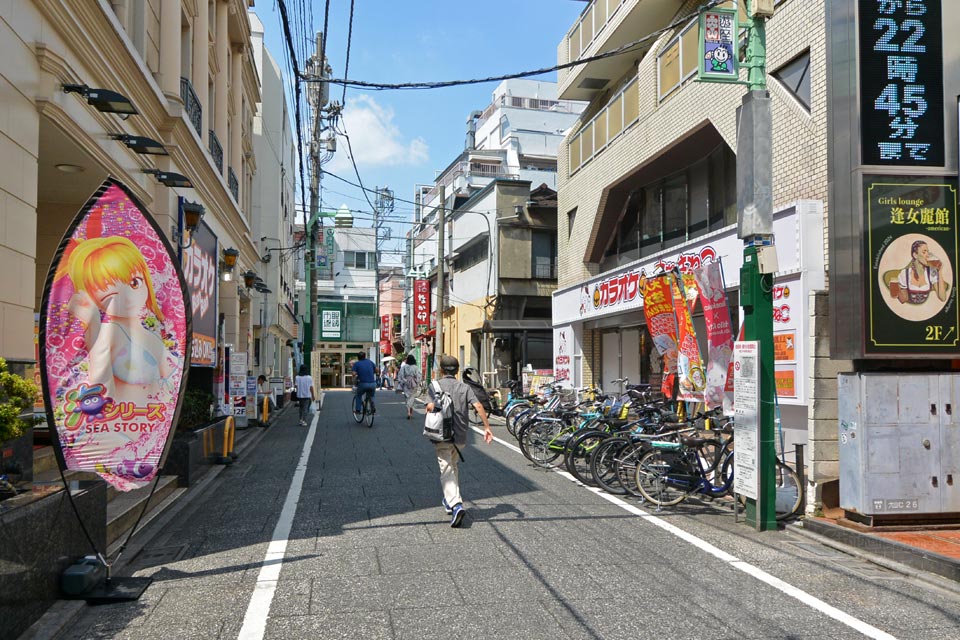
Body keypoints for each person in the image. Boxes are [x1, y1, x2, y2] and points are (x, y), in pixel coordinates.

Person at [64, 236, 173, 405]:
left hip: (150, 422)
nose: (128, 297)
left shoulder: (152, 335)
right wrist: (93, 322)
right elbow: (100, 387)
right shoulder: (107, 331)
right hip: (119, 424)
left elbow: (169, 390)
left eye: (134, 283)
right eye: (109, 292)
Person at [426, 354, 493, 528]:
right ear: (457, 371)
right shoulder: (464, 387)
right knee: (453, 465)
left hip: (442, 434)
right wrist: (487, 428)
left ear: (441, 370)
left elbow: (429, 407)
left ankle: (456, 505)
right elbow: (478, 406)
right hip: (461, 435)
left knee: (446, 469)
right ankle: (450, 500)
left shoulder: (435, 386)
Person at [897, 239, 950, 305]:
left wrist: (939, 271)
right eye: (924, 252)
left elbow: (942, 298)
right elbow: (903, 300)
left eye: (928, 252)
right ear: (915, 255)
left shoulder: (931, 272)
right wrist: (897, 291)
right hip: (908, 310)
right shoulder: (905, 274)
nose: (927, 255)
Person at [398, 354, 422, 420]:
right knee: (412, 397)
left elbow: (401, 375)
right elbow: (419, 375)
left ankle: (408, 412)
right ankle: (411, 412)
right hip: (413, 383)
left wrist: (403, 381)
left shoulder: (404, 367)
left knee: (407, 397)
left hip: (406, 383)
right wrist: (418, 382)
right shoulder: (416, 367)